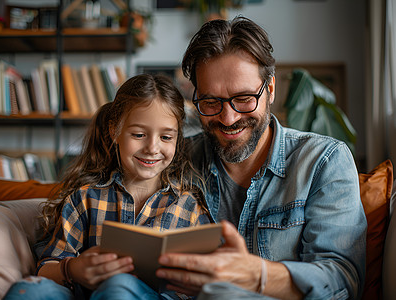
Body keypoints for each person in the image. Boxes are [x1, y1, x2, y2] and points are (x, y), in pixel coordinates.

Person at [154, 16, 367, 300]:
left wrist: (256, 276)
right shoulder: (175, 158)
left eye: (243, 99)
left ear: (270, 89)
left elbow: (341, 280)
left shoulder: (324, 161)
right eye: (210, 102)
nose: (228, 118)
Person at [3, 74, 212, 300]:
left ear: (178, 138)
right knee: (29, 289)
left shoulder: (189, 206)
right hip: (86, 294)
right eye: (139, 135)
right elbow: (46, 268)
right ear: (115, 132)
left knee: (120, 286)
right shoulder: (85, 199)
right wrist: (73, 269)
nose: (153, 148)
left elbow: (210, 279)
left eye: (166, 137)